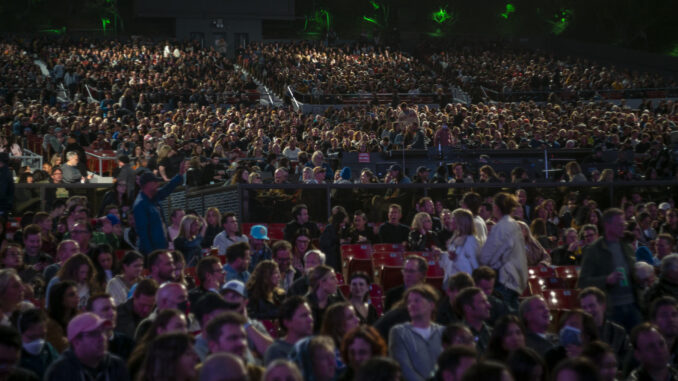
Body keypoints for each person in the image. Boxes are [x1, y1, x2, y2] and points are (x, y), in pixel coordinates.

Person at [577, 207, 642, 331]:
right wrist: (606, 280)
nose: (623, 226)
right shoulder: (594, 250)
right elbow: (583, 282)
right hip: (612, 309)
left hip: (633, 305)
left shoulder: (627, 247)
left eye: (624, 223)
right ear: (607, 226)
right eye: (619, 224)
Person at [44, 312, 130, 381]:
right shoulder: (60, 371)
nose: (102, 338)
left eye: (103, 332)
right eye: (94, 334)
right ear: (76, 342)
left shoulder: (116, 366)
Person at [478, 192, 527, 312]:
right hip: (516, 279)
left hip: (504, 279)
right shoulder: (515, 225)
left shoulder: (500, 227)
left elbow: (486, 256)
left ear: (497, 207)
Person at [389, 284, 444, 381]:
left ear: (432, 305)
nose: (412, 305)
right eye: (409, 302)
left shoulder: (443, 331)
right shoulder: (399, 332)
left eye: (417, 300)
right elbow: (403, 366)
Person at [133, 165, 187, 255]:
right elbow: (143, 234)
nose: (157, 185)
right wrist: (151, 255)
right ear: (147, 185)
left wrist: (180, 175)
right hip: (153, 252)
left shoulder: (153, 196)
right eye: (155, 183)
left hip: (161, 248)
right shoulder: (140, 205)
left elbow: (167, 189)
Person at [578, 286, 631, 364]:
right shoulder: (578, 332)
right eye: (584, 307)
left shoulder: (618, 331)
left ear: (603, 306)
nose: (588, 310)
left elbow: (626, 359)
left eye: (591, 305)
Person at [264, 296, 314, 365]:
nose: (310, 319)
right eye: (304, 316)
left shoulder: (315, 347)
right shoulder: (277, 351)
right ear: (287, 322)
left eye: (310, 314)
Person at [86, 293, 135, 361]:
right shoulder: (83, 347)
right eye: (105, 309)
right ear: (91, 315)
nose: (112, 313)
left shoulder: (128, 344)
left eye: (114, 308)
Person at [16, 308, 60, 379]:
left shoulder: (48, 349)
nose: (38, 342)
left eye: (43, 336)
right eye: (32, 337)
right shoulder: (14, 355)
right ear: (20, 333)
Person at [439, 208, 479, 284]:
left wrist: (455, 259)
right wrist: (441, 254)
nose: (451, 221)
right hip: (452, 279)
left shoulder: (470, 240)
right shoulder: (455, 237)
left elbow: (472, 264)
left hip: (462, 282)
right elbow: (451, 259)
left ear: (461, 222)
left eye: (453, 219)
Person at [305, 265, 344, 333]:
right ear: (322, 282)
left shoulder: (336, 301)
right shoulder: (306, 303)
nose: (336, 281)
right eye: (332, 278)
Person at [455, 287, 492, 355]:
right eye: (483, 302)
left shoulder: (493, 333)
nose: (489, 305)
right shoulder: (457, 337)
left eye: (487, 301)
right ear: (468, 308)